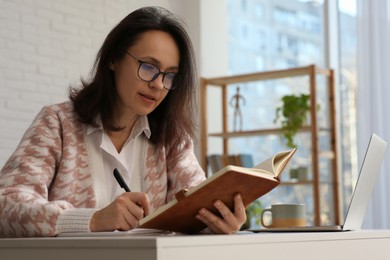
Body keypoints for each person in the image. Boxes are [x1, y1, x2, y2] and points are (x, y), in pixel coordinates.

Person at [0, 6, 246, 237]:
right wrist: (93, 220)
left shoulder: (173, 139)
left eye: (170, 75)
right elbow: (7, 204)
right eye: (149, 67)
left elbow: (195, 204)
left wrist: (216, 223)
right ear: (114, 58)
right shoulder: (57, 123)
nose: (158, 84)